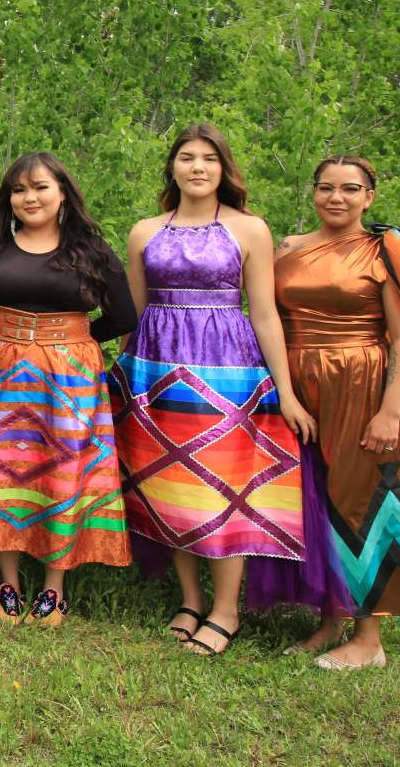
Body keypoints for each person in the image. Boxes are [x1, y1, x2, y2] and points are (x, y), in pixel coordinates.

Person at [108, 123, 317, 656]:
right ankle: (190, 599)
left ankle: (227, 611)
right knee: (170, 486)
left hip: (228, 372)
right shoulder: (144, 231)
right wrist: (120, 376)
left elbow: (264, 314)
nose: (197, 167)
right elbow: (134, 312)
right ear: (172, 167)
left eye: (208, 158)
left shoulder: (250, 229)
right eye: (186, 157)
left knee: (222, 488)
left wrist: (286, 392)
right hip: (155, 372)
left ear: (224, 168)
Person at [271, 155, 400, 670]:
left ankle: (369, 638)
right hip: (297, 382)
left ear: (369, 197)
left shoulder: (386, 251)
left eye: (350, 188)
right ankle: (331, 621)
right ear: (313, 192)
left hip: (362, 383)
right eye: (325, 187)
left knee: (365, 499)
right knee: (315, 498)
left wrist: (389, 411)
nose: (335, 198)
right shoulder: (288, 248)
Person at [0, 153, 137, 627]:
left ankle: (54, 588)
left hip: (68, 379)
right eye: (19, 189)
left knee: (62, 472)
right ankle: (7, 584)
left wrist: (71, 341)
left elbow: (125, 315)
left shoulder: (91, 250)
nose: (30, 197)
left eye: (41, 187)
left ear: (63, 192)